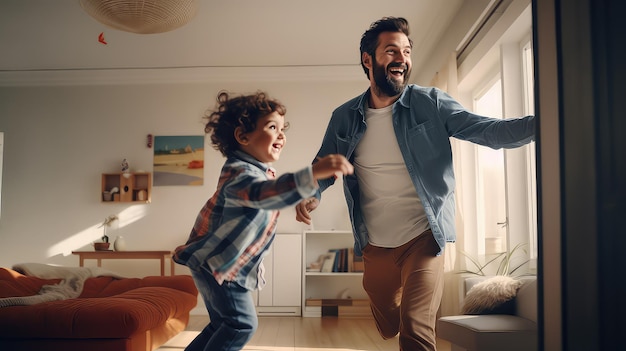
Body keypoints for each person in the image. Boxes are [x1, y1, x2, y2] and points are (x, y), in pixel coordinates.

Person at [295, 17, 535, 351]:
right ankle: (388, 312)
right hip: (375, 245)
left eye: (406, 51)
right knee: (388, 322)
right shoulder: (345, 117)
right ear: (368, 59)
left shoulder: (430, 103)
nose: (402, 58)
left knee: (415, 325)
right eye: (391, 50)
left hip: (424, 238)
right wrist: (312, 194)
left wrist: (546, 120)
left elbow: (489, 130)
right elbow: (323, 166)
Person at [174, 91, 353, 351]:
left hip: (212, 264)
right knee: (241, 324)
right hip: (219, 266)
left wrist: (303, 196)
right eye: (272, 127)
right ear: (242, 136)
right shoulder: (240, 173)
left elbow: (272, 195)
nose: (281, 135)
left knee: (221, 324)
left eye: (283, 128)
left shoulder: (257, 171)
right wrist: (312, 174)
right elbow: (263, 194)